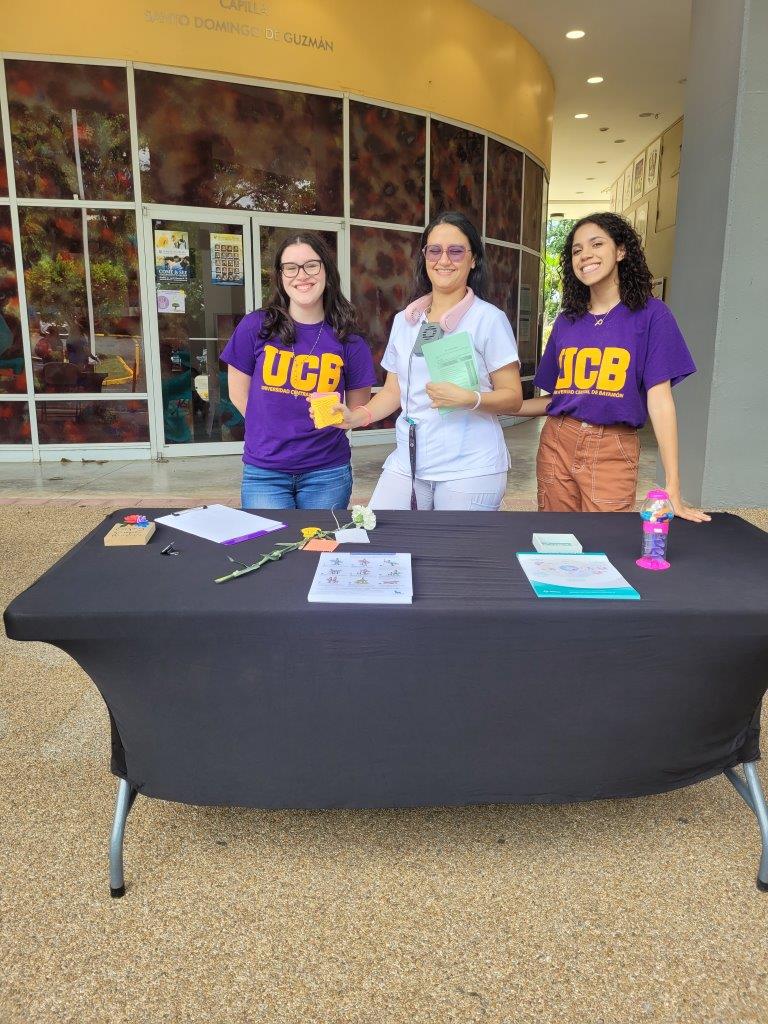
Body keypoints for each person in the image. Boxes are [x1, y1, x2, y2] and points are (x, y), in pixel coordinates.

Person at [321, 211, 522, 511]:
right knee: (378, 535)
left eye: (456, 251)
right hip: (409, 460)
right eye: (434, 250)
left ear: (473, 259)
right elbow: (394, 391)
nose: (444, 260)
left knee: (450, 544)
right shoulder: (406, 321)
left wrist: (470, 398)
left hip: (470, 467)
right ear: (425, 256)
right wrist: (356, 417)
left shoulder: (489, 319)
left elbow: (513, 398)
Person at [518, 212, 709, 522]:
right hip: (557, 442)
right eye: (577, 250)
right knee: (555, 537)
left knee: (605, 538)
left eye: (596, 244)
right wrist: (489, 403)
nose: (585, 255)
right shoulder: (567, 321)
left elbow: (660, 402)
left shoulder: (652, 315)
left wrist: (673, 486)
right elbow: (557, 400)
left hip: (613, 448)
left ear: (620, 251)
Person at [222, 231, 376, 510]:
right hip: (265, 471)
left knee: (320, 539)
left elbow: (355, 408)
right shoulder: (256, 326)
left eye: (311, 265)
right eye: (291, 267)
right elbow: (238, 394)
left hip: (327, 472)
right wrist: (271, 430)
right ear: (281, 275)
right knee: (271, 539)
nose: (301, 275)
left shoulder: (349, 339)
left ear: (326, 270)